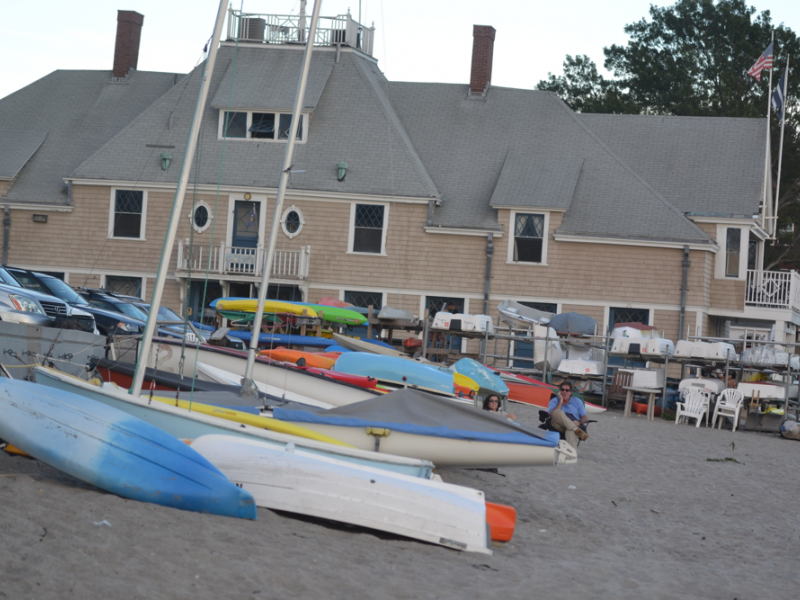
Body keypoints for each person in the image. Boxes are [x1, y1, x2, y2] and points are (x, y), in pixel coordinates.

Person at [547, 381, 589, 450]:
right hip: (557, 425)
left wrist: (579, 422)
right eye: (562, 390)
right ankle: (576, 429)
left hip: (572, 425)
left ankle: (571, 457)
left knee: (570, 431)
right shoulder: (554, 401)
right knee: (558, 412)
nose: (564, 392)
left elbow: (585, 418)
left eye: (567, 390)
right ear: (559, 391)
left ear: (571, 392)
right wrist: (560, 401)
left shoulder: (577, 401)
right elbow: (552, 415)